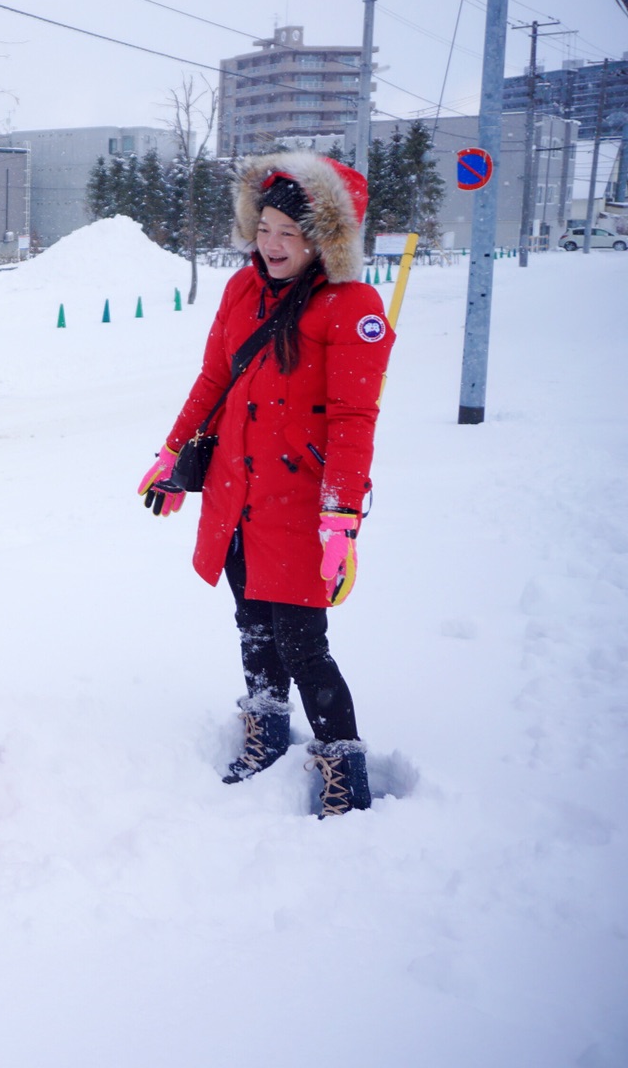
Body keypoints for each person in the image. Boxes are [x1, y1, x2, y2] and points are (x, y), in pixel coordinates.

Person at [138, 152, 394, 817]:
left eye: (291, 232)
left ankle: (344, 770)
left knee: (304, 645)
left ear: (323, 241)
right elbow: (214, 381)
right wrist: (172, 456)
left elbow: (351, 421)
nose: (272, 244)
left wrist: (341, 522)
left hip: (300, 506)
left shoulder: (352, 308)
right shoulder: (241, 291)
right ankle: (267, 726)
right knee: (251, 625)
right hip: (236, 494)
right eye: (266, 227)